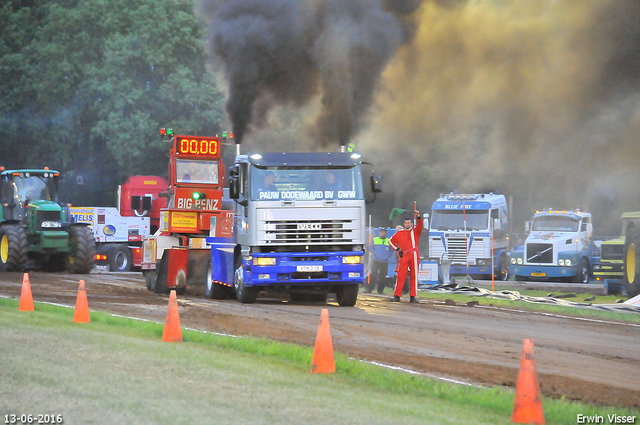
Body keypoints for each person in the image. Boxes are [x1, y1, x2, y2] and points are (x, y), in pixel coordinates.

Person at [389, 210, 423, 303]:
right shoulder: (399, 233)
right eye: (406, 223)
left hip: (414, 254)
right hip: (403, 255)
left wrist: (418, 216)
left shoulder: (415, 231)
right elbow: (390, 241)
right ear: (404, 224)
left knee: (414, 275)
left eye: (409, 223)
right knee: (401, 276)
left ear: (411, 223)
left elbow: (420, 225)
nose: (408, 224)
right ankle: (397, 295)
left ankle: (413, 296)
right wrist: (397, 249)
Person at [366, 228, 394, 294]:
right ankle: (369, 289)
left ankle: (380, 290)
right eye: (381, 232)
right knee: (373, 274)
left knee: (383, 276)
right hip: (376, 260)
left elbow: (392, 250)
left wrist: (387, 256)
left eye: (383, 232)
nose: (382, 233)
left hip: (385, 261)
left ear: (386, 233)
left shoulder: (389, 241)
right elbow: (370, 248)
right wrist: (375, 253)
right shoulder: (375, 239)